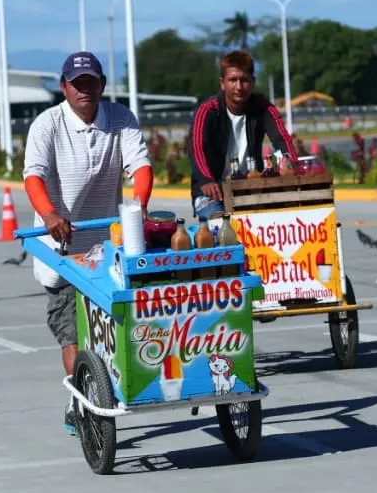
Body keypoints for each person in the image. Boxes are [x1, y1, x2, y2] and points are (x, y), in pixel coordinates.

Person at [22, 51, 154, 435]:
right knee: (74, 333)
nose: (84, 90)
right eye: (76, 84)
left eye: (91, 82)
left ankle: (107, 388)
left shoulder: (121, 119)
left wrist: (139, 205)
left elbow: (140, 166)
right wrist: (49, 215)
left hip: (107, 247)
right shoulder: (47, 125)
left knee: (115, 326)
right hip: (61, 248)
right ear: (64, 87)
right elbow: (34, 176)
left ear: (102, 85)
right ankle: (80, 401)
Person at [186, 49, 296, 221]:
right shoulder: (207, 110)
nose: (238, 86)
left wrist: (291, 163)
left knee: (284, 218)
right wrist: (206, 179)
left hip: (251, 186)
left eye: (244, 80)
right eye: (232, 80)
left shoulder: (264, 107)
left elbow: (282, 138)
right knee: (222, 225)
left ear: (252, 82)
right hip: (213, 192)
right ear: (222, 83)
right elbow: (196, 147)